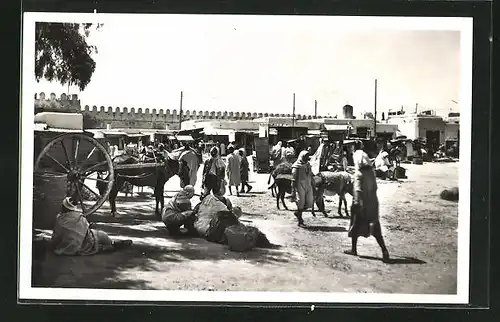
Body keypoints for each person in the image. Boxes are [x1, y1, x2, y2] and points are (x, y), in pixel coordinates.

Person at [345, 140, 390, 262]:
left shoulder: (359, 174)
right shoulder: (371, 173)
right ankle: (384, 250)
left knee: (355, 225)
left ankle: (354, 249)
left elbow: (358, 189)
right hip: (373, 203)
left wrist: (356, 202)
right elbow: (374, 187)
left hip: (361, 204)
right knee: (376, 228)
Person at [51, 197, 132, 255]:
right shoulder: (80, 217)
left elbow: (56, 236)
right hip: (85, 243)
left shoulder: (59, 219)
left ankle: (110, 246)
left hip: (66, 247)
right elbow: (86, 229)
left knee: (97, 239)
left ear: (63, 207)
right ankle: (113, 244)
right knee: (101, 235)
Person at [291, 150, 315, 227]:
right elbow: (293, 179)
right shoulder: (296, 166)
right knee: (301, 202)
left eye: (308, 157)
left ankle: (298, 213)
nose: (307, 158)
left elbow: (311, 175)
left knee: (309, 202)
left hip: (308, 185)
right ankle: (300, 220)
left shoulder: (308, 164)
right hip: (300, 185)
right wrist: (293, 190)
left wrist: (313, 185)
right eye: (305, 157)